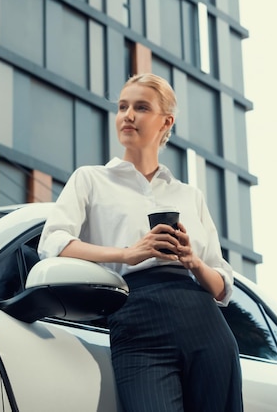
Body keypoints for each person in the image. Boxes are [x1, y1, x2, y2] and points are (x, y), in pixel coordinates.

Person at [37, 73, 243, 412]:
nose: (127, 115)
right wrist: (129, 254)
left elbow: (222, 288)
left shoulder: (190, 195)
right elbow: (53, 243)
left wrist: (193, 260)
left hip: (204, 322)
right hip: (135, 318)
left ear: (166, 122)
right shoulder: (90, 179)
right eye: (122, 107)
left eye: (141, 107)